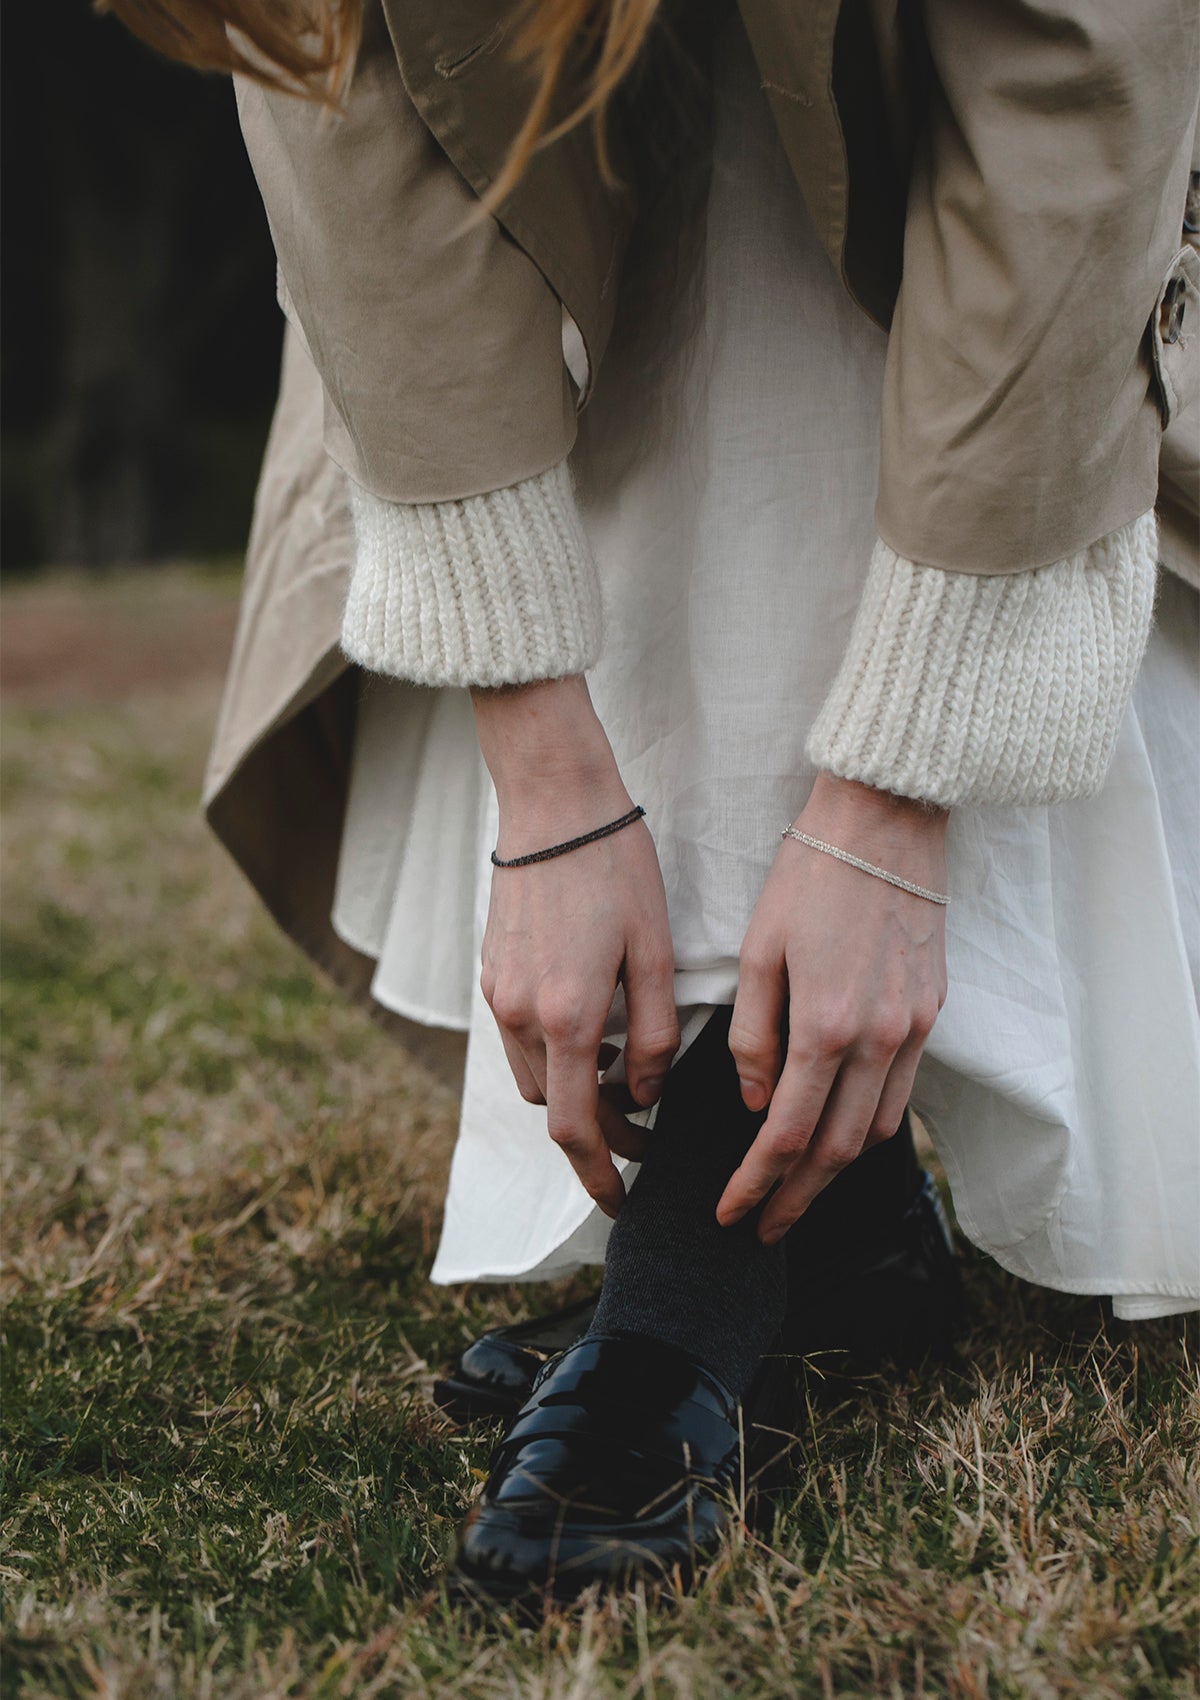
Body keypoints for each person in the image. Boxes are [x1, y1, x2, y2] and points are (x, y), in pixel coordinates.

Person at [107, 0, 1200, 1604]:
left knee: (811, 228)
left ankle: (707, 1250)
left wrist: (892, 799)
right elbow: (335, 87)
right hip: (569, 214)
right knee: (658, 221)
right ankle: (822, 1227)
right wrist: (545, 775)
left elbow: (1070, 92)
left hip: (1017, 208)